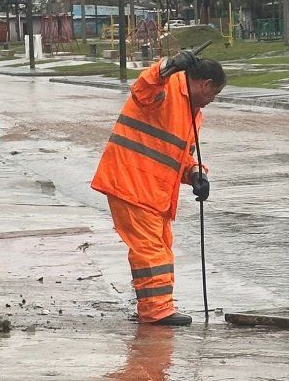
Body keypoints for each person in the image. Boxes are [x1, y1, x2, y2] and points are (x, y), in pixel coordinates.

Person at [90, 50, 226, 326]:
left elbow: (180, 155)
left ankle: (157, 306)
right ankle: (156, 311)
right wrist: (169, 65)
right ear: (205, 83)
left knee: (160, 248)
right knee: (151, 250)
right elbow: (144, 86)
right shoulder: (168, 87)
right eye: (215, 94)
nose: (213, 100)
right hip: (132, 183)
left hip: (153, 192)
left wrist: (196, 174)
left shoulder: (193, 114)